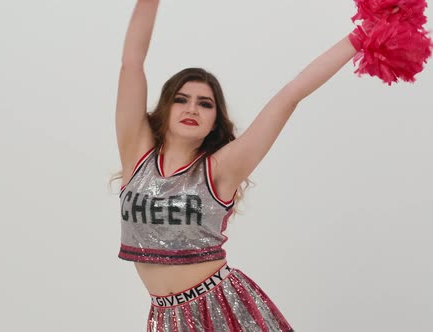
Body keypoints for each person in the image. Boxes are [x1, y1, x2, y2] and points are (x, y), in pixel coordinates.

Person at [115, 1, 357, 331]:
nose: (193, 109)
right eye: (181, 99)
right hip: (166, 319)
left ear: (215, 121)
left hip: (223, 309)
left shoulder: (219, 169)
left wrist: (362, 37)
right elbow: (132, 63)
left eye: (205, 104)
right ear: (166, 107)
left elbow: (290, 95)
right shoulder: (137, 155)